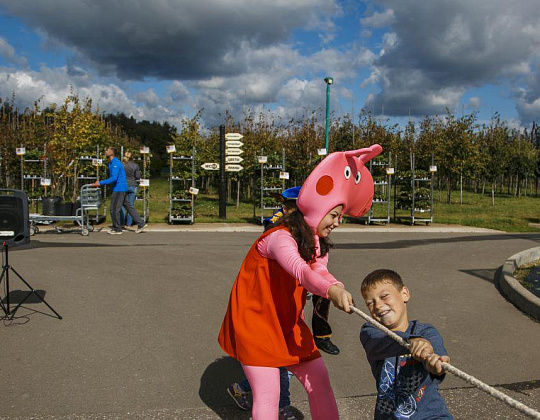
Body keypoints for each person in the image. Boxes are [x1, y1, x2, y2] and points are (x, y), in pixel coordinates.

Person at [218, 144, 382, 419]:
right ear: (318, 208)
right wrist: (329, 290)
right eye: (334, 215)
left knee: (319, 380)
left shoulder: (316, 242)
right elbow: (300, 271)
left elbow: (320, 271)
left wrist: (336, 286)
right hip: (256, 324)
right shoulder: (278, 238)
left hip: (287, 323)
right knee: (268, 395)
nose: (338, 223)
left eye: (340, 216)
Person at [359, 269, 453, 419]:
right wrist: (411, 341)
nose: (378, 305)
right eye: (370, 303)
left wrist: (436, 364)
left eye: (384, 296)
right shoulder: (370, 331)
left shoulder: (427, 332)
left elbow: (438, 363)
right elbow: (383, 342)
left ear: (405, 294)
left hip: (431, 415)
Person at [265, 187, 340, 356]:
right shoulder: (278, 230)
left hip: (304, 277)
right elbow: (297, 268)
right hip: (282, 284)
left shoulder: (317, 235)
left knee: (322, 295)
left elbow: (319, 267)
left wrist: (334, 286)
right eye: (298, 210)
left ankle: (322, 336)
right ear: (286, 209)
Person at [90, 147, 147, 235]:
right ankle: (141, 223)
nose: (105, 151)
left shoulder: (115, 163)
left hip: (119, 188)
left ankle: (117, 229)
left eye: (107, 150)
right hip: (122, 187)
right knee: (129, 207)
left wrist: (100, 183)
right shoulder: (112, 163)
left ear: (111, 153)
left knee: (114, 209)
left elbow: (114, 178)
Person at [121, 151, 141, 229]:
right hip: (132, 185)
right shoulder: (135, 165)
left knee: (122, 205)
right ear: (132, 157)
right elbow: (137, 176)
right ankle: (129, 224)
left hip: (123, 186)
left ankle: (122, 223)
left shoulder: (121, 165)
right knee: (131, 205)